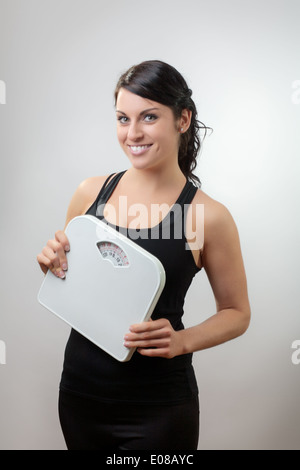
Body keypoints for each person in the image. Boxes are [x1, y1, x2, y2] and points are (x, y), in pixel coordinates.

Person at [37, 60, 251, 450]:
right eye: (123, 118)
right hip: (81, 394)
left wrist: (182, 341)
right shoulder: (90, 193)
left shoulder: (208, 217)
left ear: (182, 119)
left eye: (149, 117)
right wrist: (54, 264)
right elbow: (73, 282)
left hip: (160, 405)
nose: (132, 133)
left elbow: (237, 313)